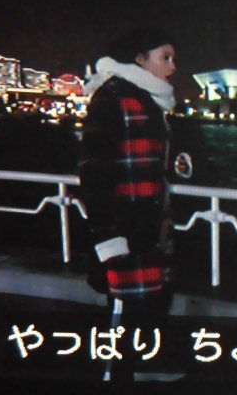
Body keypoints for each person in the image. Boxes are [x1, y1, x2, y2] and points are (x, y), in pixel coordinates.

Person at [79, 27, 176, 323]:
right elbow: (94, 172)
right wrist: (108, 238)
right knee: (128, 316)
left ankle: (142, 353)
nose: (173, 67)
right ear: (139, 59)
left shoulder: (145, 100)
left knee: (146, 311)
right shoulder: (113, 99)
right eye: (165, 57)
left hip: (147, 231)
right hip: (126, 234)